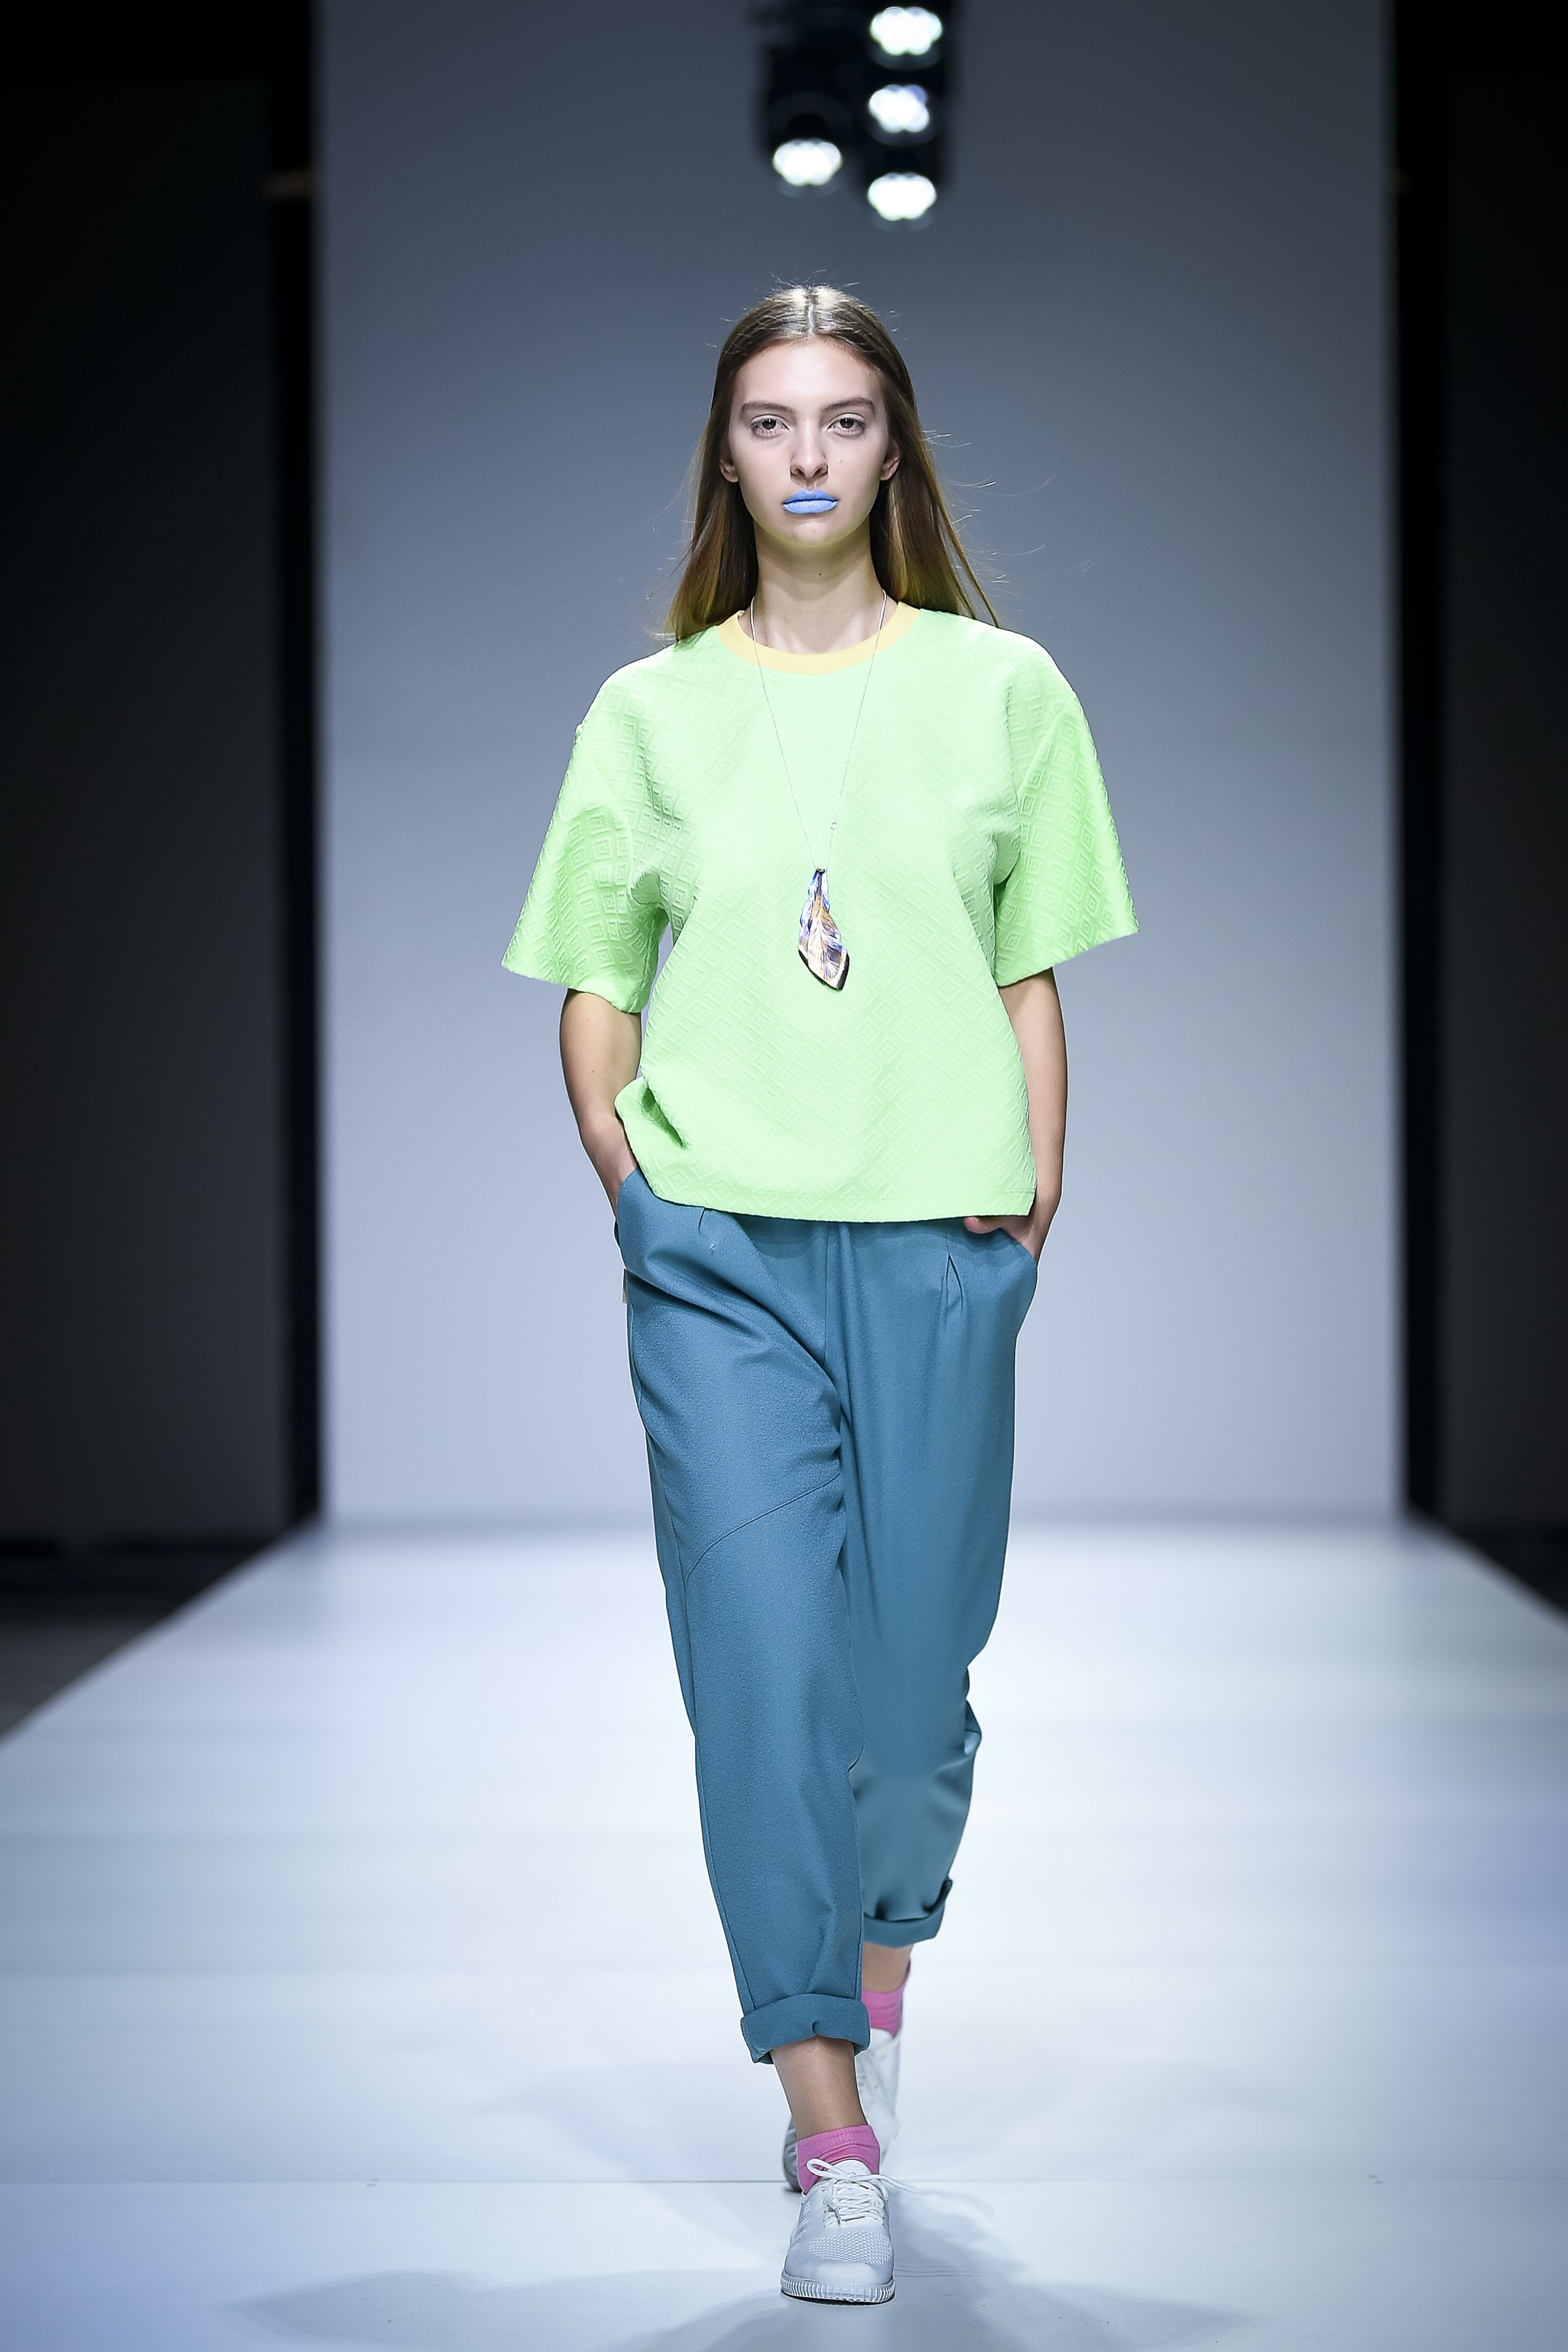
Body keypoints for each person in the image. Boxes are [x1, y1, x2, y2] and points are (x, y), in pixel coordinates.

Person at [504, 285, 1135, 2305]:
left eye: (843, 419)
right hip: (719, 1257)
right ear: (725, 450)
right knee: (761, 1674)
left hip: (942, 1240)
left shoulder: (1004, 690)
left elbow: (1031, 963)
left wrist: (1030, 1209)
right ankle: (825, 2120)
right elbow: (595, 976)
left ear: (891, 448)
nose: (804, 453)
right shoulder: (649, 711)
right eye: (770, 419)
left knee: (911, 1695)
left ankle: (872, 1971)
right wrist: (634, 1180)